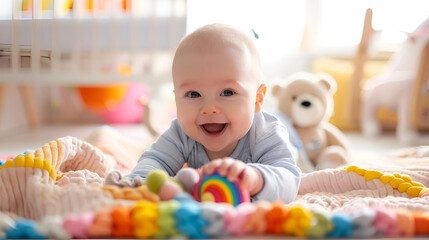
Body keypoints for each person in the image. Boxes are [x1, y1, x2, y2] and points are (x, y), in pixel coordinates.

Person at [125, 23, 301, 202]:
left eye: (227, 92)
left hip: (290, 135)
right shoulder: (181, 133)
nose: (209, 108)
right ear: (176, 99)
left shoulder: (266, 133)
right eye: (193, 94)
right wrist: (143, 186)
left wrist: (257, 178)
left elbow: (289, 179)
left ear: (257, 99)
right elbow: (154, 162)